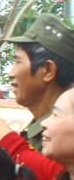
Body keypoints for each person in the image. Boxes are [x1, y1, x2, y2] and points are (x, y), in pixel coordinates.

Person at [4, 14, 74, 150]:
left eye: (18, 62)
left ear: (48, 71)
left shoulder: (60, 142)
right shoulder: (38, 130)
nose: (11, 74)